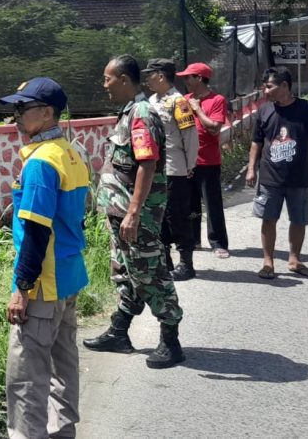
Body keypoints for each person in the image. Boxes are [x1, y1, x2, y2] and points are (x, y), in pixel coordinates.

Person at [0, 77, 90, 439]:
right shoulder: (70, 153)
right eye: (16, 109)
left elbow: (37, 232)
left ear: (48, 112)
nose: (17, 116)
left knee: (26, 381)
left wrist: (21, 288)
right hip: (68, 279)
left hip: (42, 286)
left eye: (24, 109)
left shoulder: (40, 163)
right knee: (63, 370)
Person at [83, 55, 185, 369]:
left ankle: (171, 340)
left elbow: (147, 163)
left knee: (149, 273)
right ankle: (119, 331)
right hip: (122, 211)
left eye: (108, 79)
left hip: (135, 214)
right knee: (126, 273)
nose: (105, 85)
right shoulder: (129, 112)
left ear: (125, 80)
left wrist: (134, 212)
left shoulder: (141, 113)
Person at [246, 67, 308, 279]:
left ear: (284, 86)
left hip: (299, 177)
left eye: (269, 86)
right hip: (270, 177)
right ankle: (268, 262)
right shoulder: (265, 111)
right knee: (268, 219)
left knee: (299, 219)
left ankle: (295, 260)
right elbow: (256, 143)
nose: (265, 90)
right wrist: (251, 169)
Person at [142, 58, 199, 280]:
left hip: (175, 168)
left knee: (178, 216)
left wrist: (189, 166)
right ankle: (165, 262)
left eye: (150, 74)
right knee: (159, 216)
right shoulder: (151, 101)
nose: (147, 79)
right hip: (154, 169)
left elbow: (190, 137)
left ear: (161, 76)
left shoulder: (179, 102)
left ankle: (186, 264)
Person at [179, 62, 230, 259]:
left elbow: (214, 129)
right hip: (189, 162)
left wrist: (198, 110)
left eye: (188, 77)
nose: (185, 81)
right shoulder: (185, 99)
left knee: (212, 204)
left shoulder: (217, 100)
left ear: (199, 78)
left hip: (208, 162)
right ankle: (194, 240)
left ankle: (218, 243)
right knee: (190, 204)